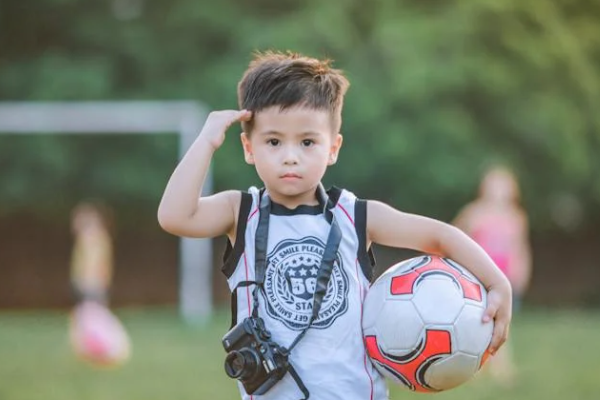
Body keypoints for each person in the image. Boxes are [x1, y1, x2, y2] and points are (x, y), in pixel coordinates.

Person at [157, 51, 512, 400]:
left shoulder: (355, 216)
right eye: (274, 141)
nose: (290, 155)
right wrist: (207, 141)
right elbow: (174, 216)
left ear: (333, 148)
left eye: (307, 142)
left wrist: (498, 283)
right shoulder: (240, 211)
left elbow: (440, 236)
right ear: (249, 148)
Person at [453, 165, 532, 386]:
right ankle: (483, 366)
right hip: (477, 276)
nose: (498, 192)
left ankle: (496, 366)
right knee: (479, 321)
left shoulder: (516, 217)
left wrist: (521, 270)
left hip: (504, 280)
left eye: (503, 186)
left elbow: (520, 248)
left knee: (501, 324)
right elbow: (454, 236)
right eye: (494, 185)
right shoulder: (474, 213)